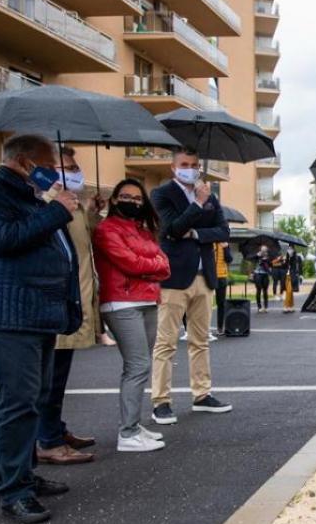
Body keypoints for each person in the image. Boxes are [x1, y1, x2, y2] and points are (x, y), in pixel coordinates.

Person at [0, 134, 80, 524]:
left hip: (37, 312)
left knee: (33, 399)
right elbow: (2, 238)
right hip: (9, 314)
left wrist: (53, 208)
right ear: (25, 162)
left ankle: (22, 474)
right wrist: (56, 210)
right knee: (17, 403)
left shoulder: (32, 198)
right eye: (48, 164)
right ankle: (13, 489)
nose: (54, 172)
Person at [149, 149, 232, 425]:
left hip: (203, 277)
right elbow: (171, 229)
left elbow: (223, 231)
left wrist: (196, 233)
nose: (191, 169)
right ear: (173, 168)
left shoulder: (210, 195)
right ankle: (160, 401)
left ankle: (202, 394)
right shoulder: (161, 195)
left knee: (200, 341)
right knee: (166, 342)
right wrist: (197, 204)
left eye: (195, 165)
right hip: (173, 278)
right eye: (184, 165)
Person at [94, 179, 170, 451]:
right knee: (137, 367)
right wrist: (151, 266)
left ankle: (134, 424)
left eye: (139, 199)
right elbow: (129, 262)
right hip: (121, 303)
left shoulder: (143, 230)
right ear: (114, 199)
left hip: (148, 300)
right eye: (127, 197)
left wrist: (146, 266)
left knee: (141, 365)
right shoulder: (105, 229)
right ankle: (127, 434)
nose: (134, 202)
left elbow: (164, 264)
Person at [37, 146, 101, 465]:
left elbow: (86, 245)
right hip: (57, 305)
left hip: (77, 302)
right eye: (68, 167)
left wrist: (91, 212)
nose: (75, 171)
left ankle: (54, 429)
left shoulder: (72, 205)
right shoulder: (46, 205)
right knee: (51, 378)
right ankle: (47, 440)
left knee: (59, 377)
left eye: (76, 166)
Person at [213, 241, 233, 336]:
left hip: (222, 276)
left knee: (221, 303)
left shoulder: (225, 244)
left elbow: (229, 259)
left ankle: (220, 327)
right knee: (205, 303)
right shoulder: (209, 243)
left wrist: (225, 248)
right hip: (209, 276)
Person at [252, 244, 272, 313]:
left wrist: (266, 260)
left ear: (266, 250)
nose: (263, 251)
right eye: (262, 250)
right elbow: (252, 259)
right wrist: (257, 255)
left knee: (265, 291)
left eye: (265, 250)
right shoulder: (258, 255)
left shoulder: (268, 257)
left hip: (265, 275)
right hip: (258, 274)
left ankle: (266, 307)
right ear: (260, 250)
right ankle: (259, 306)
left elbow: (271, 264)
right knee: (258, 290)